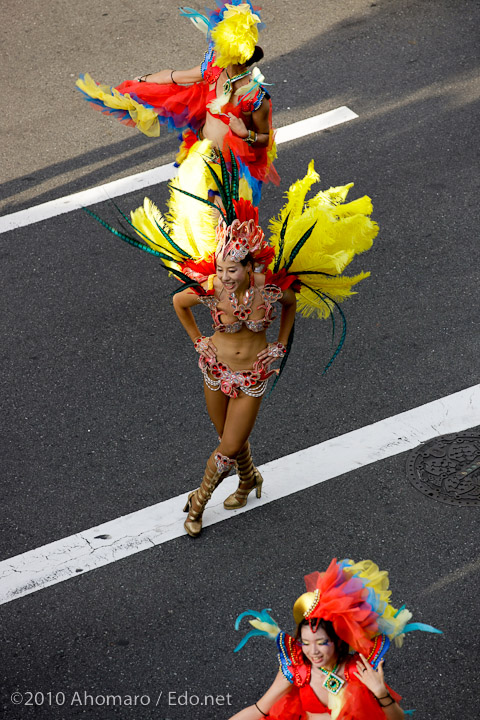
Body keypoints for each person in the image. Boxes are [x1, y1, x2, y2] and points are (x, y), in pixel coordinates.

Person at [85, 144, 378, 537]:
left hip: (253, 375)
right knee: (228, 439)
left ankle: (196, 504)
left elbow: (292, 305)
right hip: (214, 369)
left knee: (224, 450)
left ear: (249, 266)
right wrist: (197, 340)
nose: (224, 276)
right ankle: (249, 479)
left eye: (231, 270)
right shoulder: (211, 288)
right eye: (220, 267)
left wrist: (282, 343)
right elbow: (178, 302)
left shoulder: (270, 289)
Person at [76, 1, 278, 204]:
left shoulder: (255, 97)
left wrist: (245, 134)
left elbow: (264, 139)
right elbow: (175, 77)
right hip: (204, 157)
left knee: (220, 226)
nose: (217, 52)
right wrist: (144, 80)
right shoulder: (211, 71)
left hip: (232, 172)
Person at [229, 558, 442, 719]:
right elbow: (260, 709)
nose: (312, 652)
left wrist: (380, 691)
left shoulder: (359, 671)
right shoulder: (296, 669)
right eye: (305, 642)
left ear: (338, 641)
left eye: (322, 643)